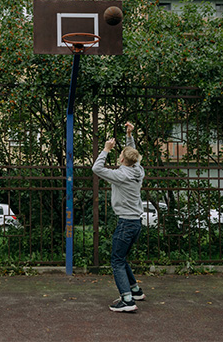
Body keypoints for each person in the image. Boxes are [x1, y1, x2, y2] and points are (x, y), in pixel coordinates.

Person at [92, 122, 146, 312]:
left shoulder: (120, 175)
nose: (119, 156)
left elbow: (96, 169)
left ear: (122, 160)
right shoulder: (138, 170)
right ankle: (135, 291)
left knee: (116, 261)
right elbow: (134, 154)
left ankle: (127, 300)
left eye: (120, 155)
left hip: (125, 223)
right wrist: (129, 134)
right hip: (136, 223)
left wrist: (106, 150)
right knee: (122, 258)